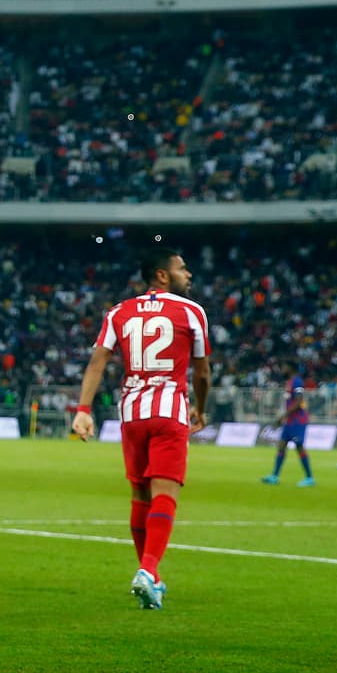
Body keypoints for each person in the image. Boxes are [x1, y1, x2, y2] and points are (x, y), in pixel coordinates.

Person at [72, 247, 211, 611]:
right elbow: (202, 373)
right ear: (162, 275)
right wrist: (200, 408)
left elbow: (97, 362)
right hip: (168, 410)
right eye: (182, 268)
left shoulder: (119, 312)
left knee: (139, 495)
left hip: (132, 414)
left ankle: (152, 579)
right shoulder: (191, 311)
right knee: (165, 493)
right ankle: (148, 571)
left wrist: (83, 409)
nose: (188, 274)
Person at [262, 364, 315, 487]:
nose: (282, 369)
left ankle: (309, 478)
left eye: (284, 367)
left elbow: (299, 401)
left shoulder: (297, 381)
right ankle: (274, 476)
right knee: (281, 445)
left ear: (290, 368)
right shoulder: (290, 382)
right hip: (290, 420)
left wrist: (283, 416)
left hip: (298, 420)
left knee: (299, 447)